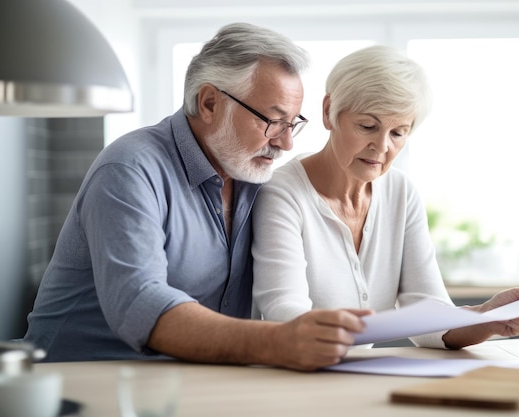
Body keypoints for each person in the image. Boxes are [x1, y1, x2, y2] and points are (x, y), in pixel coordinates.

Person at [23, 22, 371, 371]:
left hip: (186, 383)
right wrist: (276, 341)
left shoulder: (257, 179)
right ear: (209, 103)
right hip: (73, 380)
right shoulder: (129, 169)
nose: (286, 143)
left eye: (292, 123)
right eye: (273, 121)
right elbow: (139, 302)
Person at [251, 45, 519, 350]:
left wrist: (486, 317)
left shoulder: (400, 192)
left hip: (359, 381)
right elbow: (284, 312)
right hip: (299, 378)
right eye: (368, 126)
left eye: (398, 133)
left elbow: (427, 313)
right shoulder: (282, 193)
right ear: (328, 112)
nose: (381, 147)